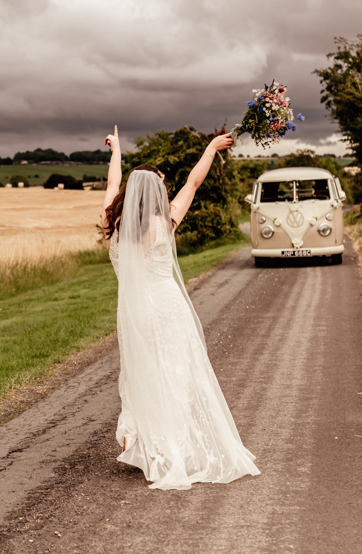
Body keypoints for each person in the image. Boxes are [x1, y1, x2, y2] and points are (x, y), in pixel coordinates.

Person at [101, 125, 259, 490]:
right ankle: (175, 447)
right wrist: (211, 149)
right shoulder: (164, 221)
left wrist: (116, 156)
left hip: (134, 312)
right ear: (155, 193)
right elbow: (193, 183)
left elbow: (111, 186)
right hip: (168, 309)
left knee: (143, 374)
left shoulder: (113, 221)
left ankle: (150, 442)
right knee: (173, 374)